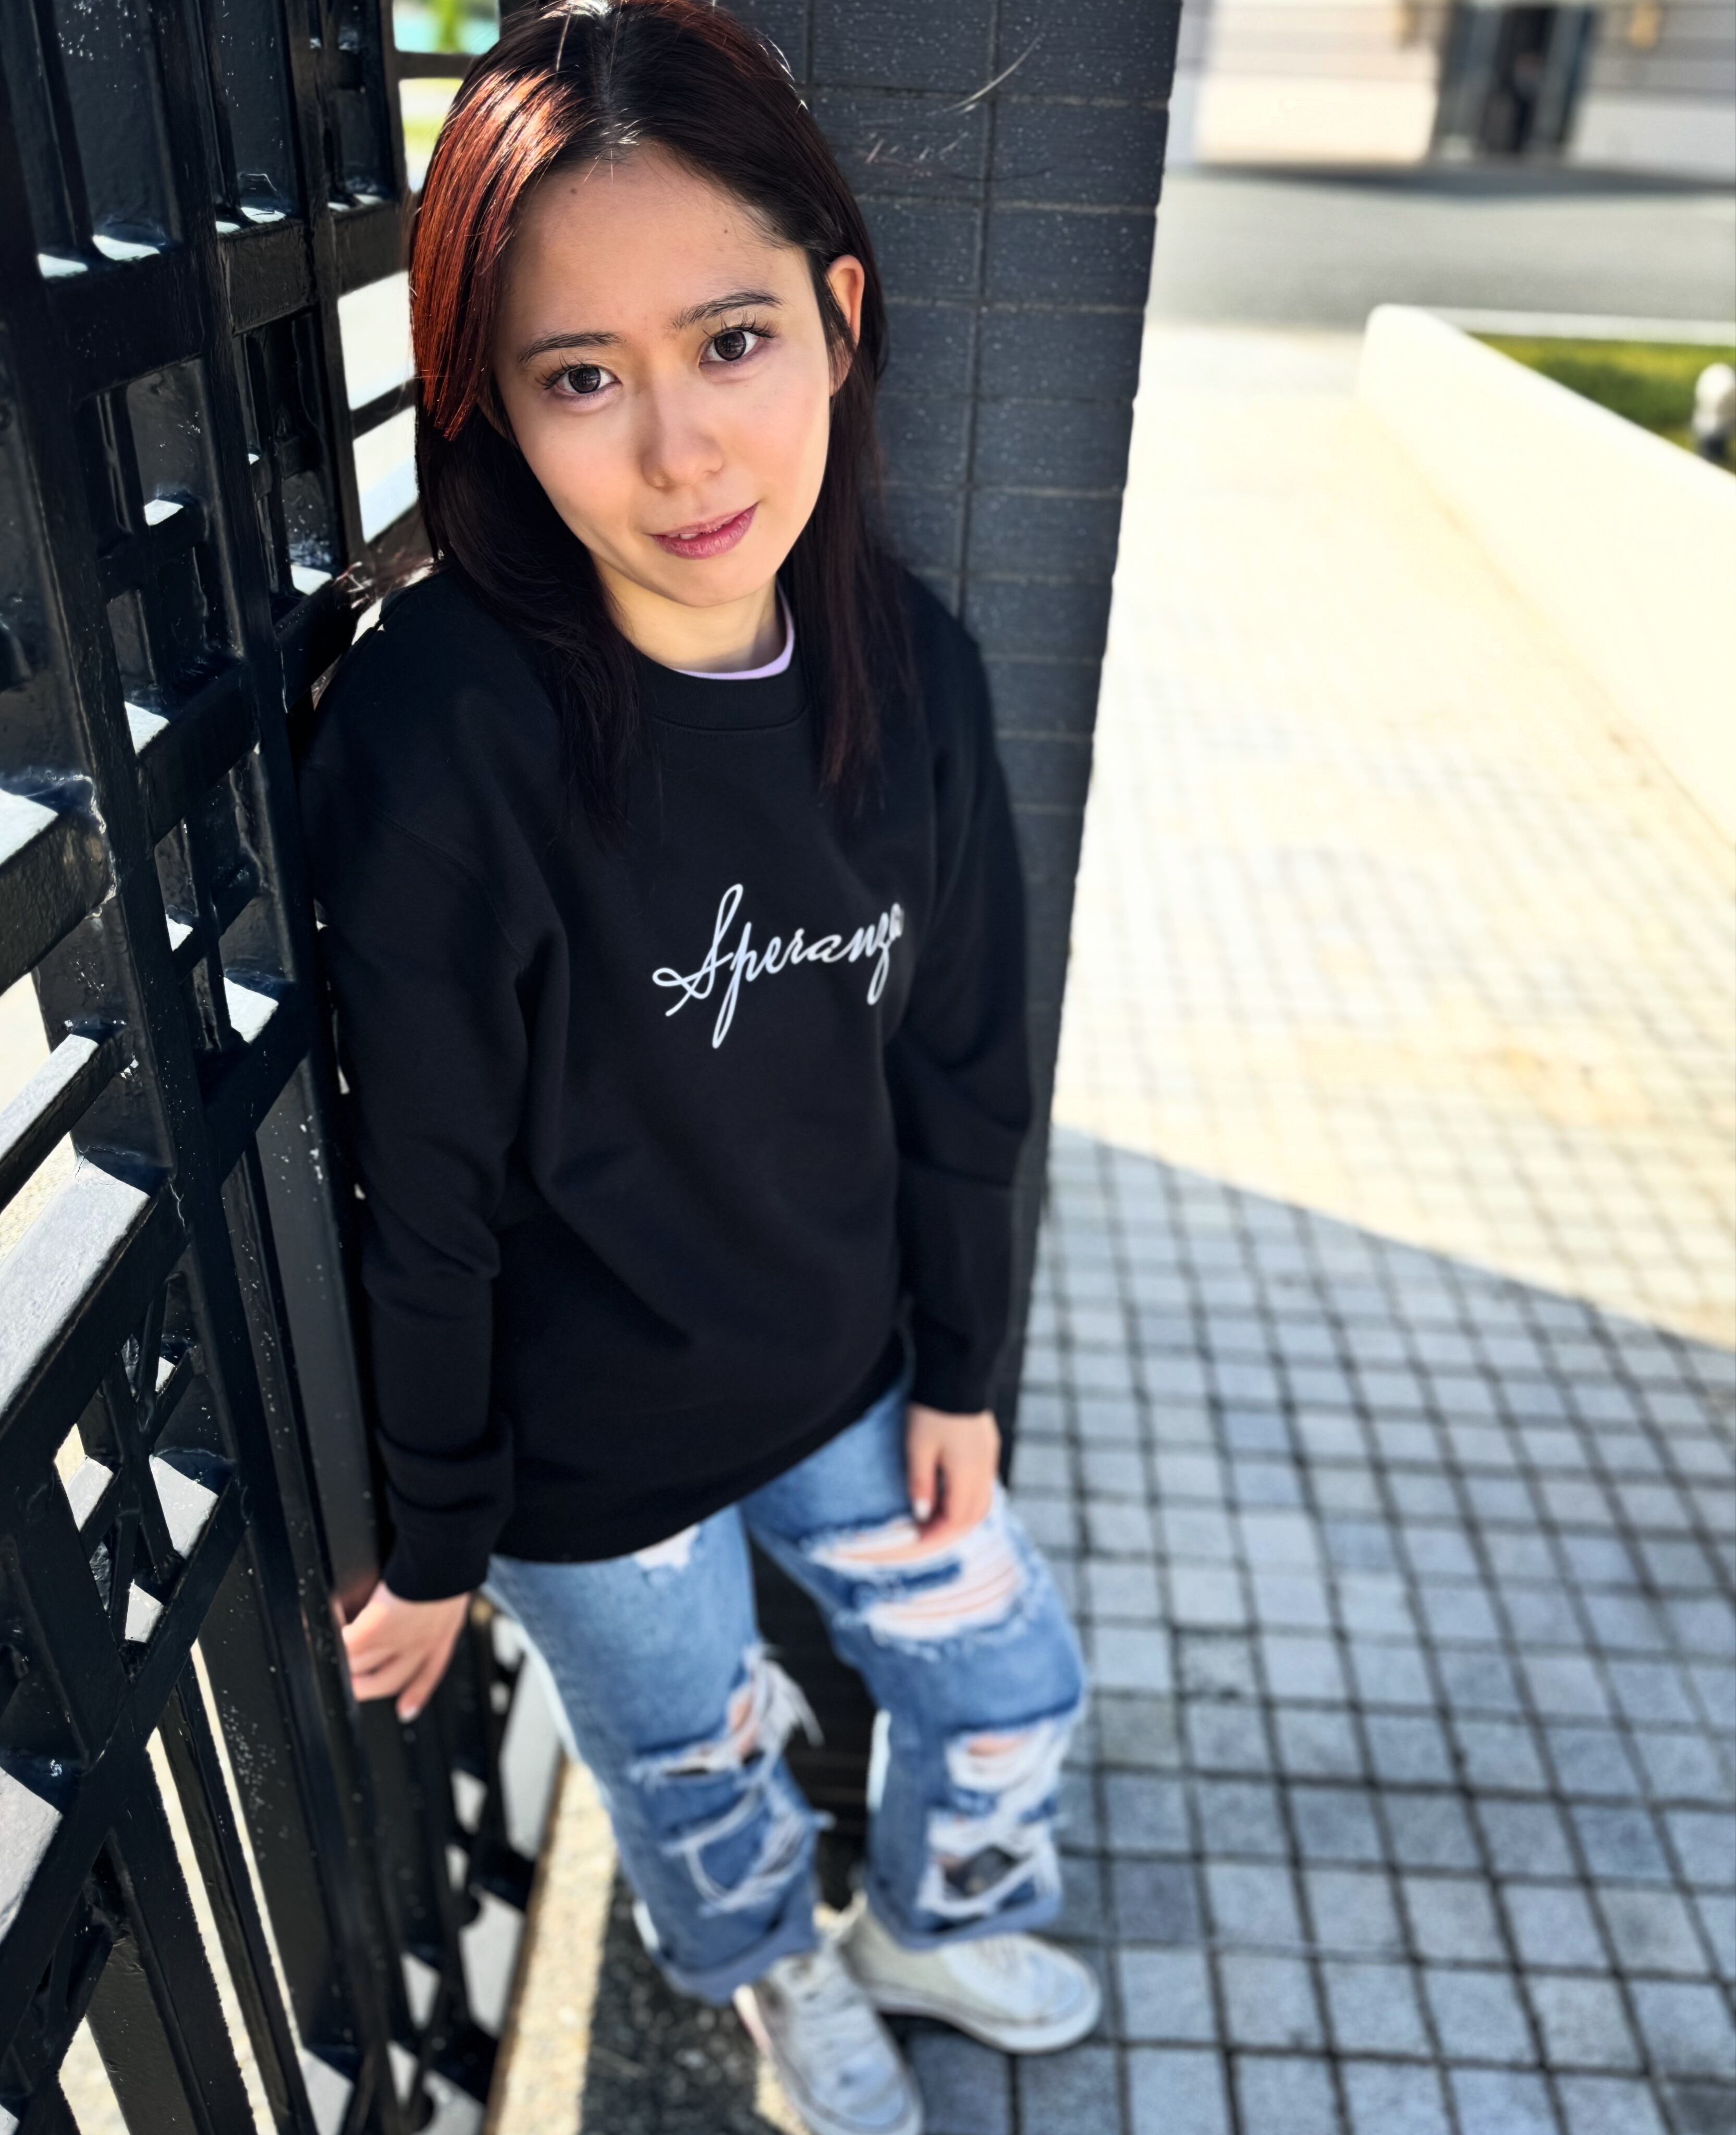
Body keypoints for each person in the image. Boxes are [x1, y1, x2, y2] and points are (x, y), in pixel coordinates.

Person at [300, 6, 1096, 2130]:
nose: (677, 454)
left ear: (836, 316)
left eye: (730, 340)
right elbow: (421, 1188)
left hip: (839, 1373)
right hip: (590, 1457)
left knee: (1009, 1681)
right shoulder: (444, 733)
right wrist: (442, 1536)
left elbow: (963, 1061)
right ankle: (774, 1990)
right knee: (695, 1772)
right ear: (496, 407)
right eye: (581, 377)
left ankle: (924, 1923)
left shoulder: (907, 670)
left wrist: (959, 1371)